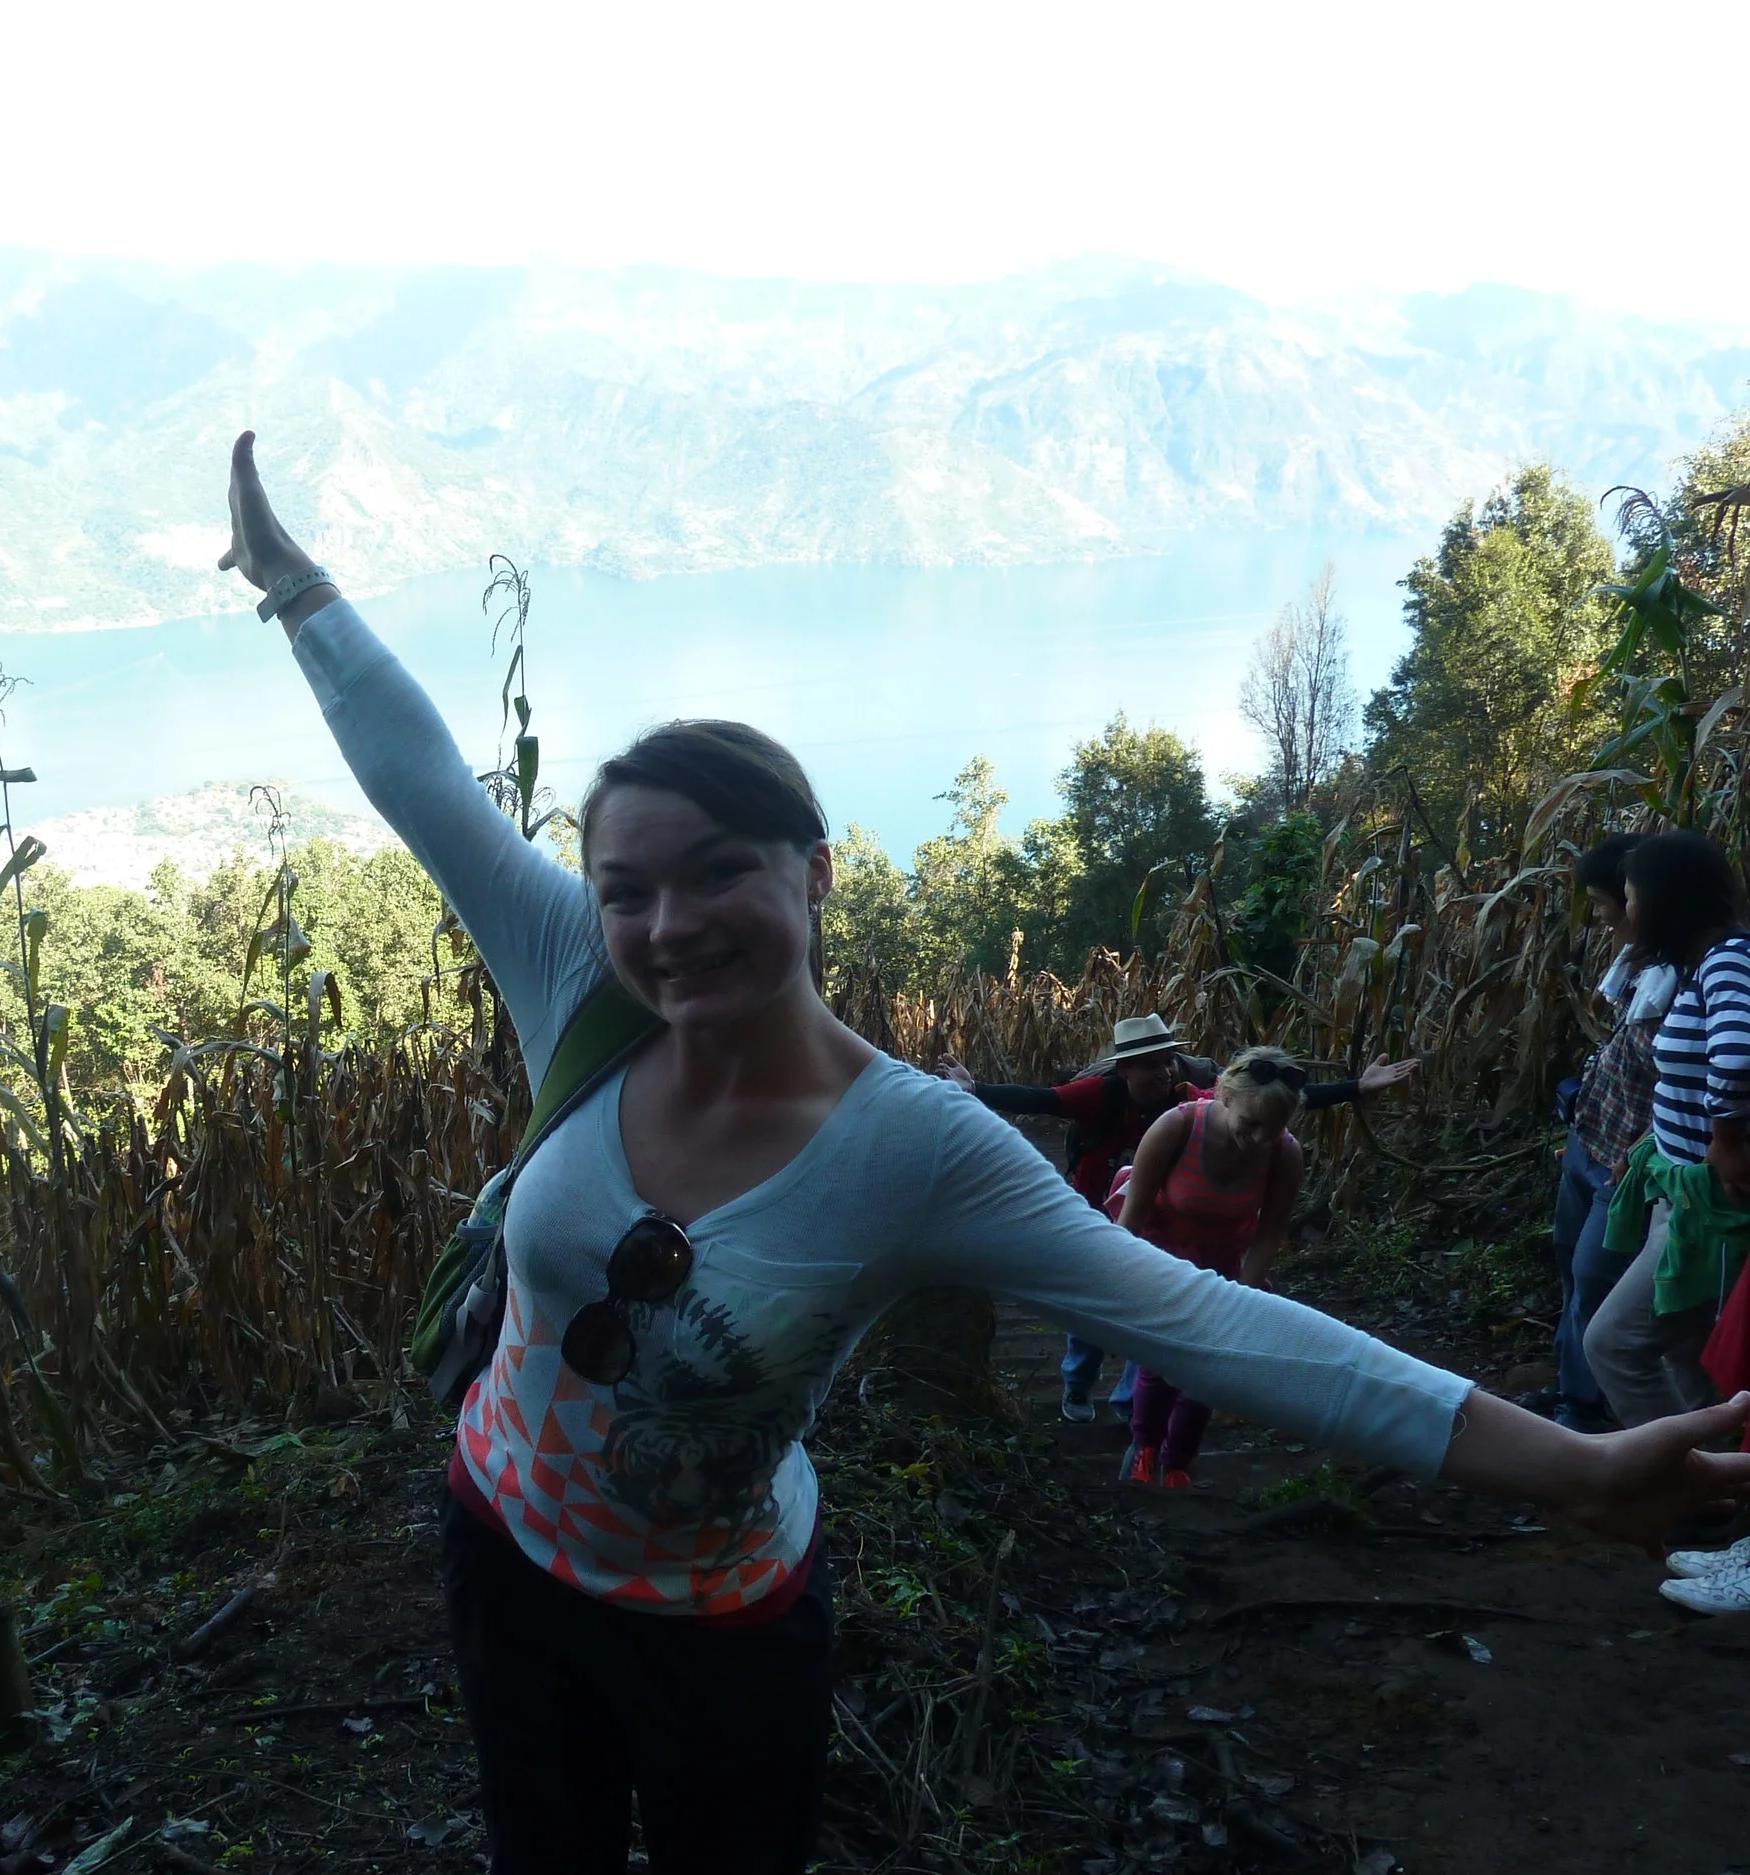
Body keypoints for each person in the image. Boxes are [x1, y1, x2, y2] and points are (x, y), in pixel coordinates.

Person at [219, 432, 1750, 1875]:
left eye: (720, 871)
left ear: (815, 874)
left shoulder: (918, 1148)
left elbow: (1209, 1322)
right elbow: (417, 775)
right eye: (629, 886)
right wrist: (295, 587)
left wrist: (1570, 1462)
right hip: (500, 1547)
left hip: (725, 1621)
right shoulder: (580, 974)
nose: (670, 924)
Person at [939, 1019, 1416, 1421]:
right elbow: (1040, 1098)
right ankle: (1077, 1384)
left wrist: (1356, 1087)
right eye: (1150, 1064)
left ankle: (1131, 1409)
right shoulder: (1099, 1094)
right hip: (1098, 1213)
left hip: (1173, 1229)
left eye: (1168, 1060)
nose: (1164, 1071)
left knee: (1154, 1320)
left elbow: (1269, 1101)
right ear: (1124, 1068)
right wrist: (976, 1089)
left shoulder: (1199, 1098)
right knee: (1092, 1314)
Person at [1585, 830, 1750, 1435]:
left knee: (1613, 1344)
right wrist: (1652, 1141)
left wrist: (1726, 1140)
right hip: (1679, 1193)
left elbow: (1736, 1057)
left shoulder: (1730, 960)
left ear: (1665, 900)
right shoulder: (1702, 965)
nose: (1626, 912)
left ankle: (1681, 1484)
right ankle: (1720, 1484)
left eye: (1630, 897)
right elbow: (1690, 1077)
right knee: (1688, 1353)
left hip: (1708, 1207)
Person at [1110, 1048, 1305, 1486]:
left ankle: (1177, 1461)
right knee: (1159, 1364)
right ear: (1225, 1098)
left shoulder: (1284, 1153)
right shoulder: (1178, 1126)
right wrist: (1119, 1283)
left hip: (1221, 1265)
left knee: (1206, 1371)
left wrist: (1244, 1296)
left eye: (1271, 1130)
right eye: (1251, 1125)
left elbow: (1269, 1233)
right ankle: (1143, 1446)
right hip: (1161, 1257)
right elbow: (1133, 1214)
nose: (1259, 1139)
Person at [1550, 834, 1676, 1432]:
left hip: (1626, 1165)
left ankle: (1611, 1423)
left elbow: (1695, 1084)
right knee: (1573, 1267)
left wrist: (1643, 1146)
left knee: (1598, 1278)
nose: (1600, 914)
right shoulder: (1638, 968)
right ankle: (1575, 1398)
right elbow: (1625, 1046)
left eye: (1607, 899)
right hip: (1589, 1139)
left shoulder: (1697, 976)